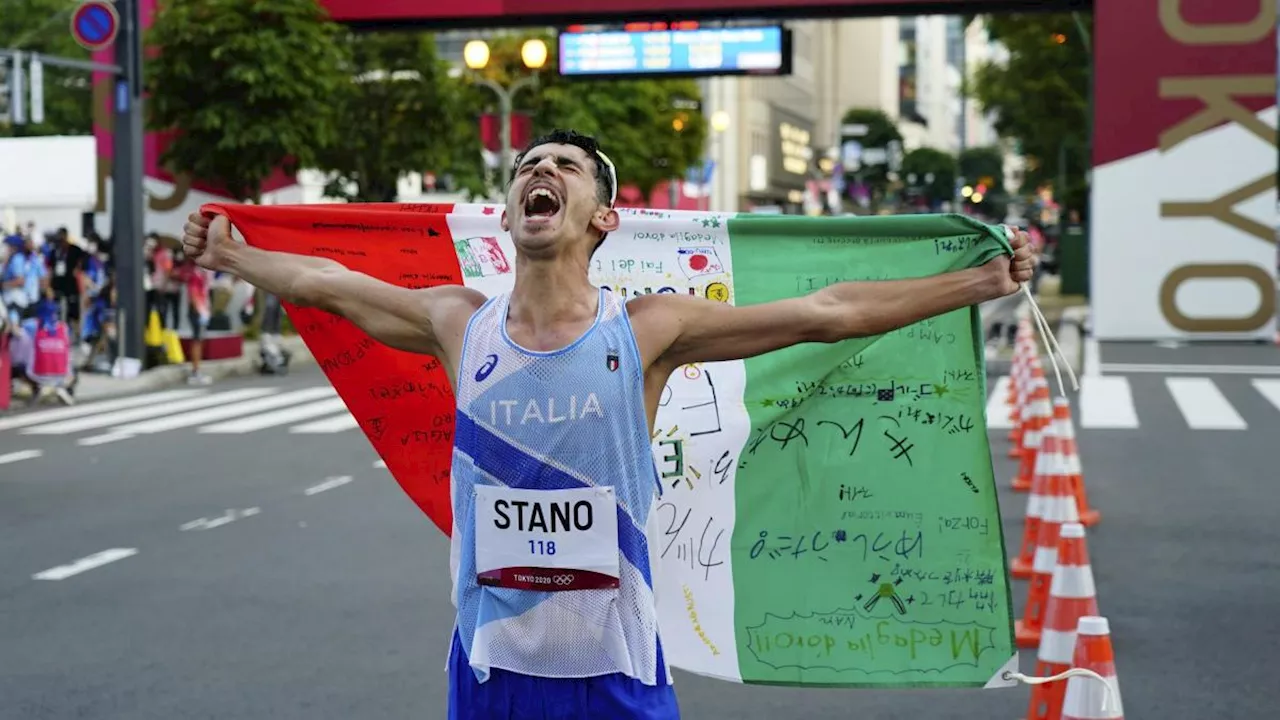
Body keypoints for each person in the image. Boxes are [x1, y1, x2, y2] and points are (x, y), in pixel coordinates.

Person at [183, 128, 1035, 720]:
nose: (536, 171)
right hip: (490, 669)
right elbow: (325, 284)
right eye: (525, 165)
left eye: (562, 165)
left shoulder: (650, 330)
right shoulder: (457, 323)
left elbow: (828, 311)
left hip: (615, 671)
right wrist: (232, 255)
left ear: (601, 217)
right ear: (513, 207)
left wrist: (976, 284)